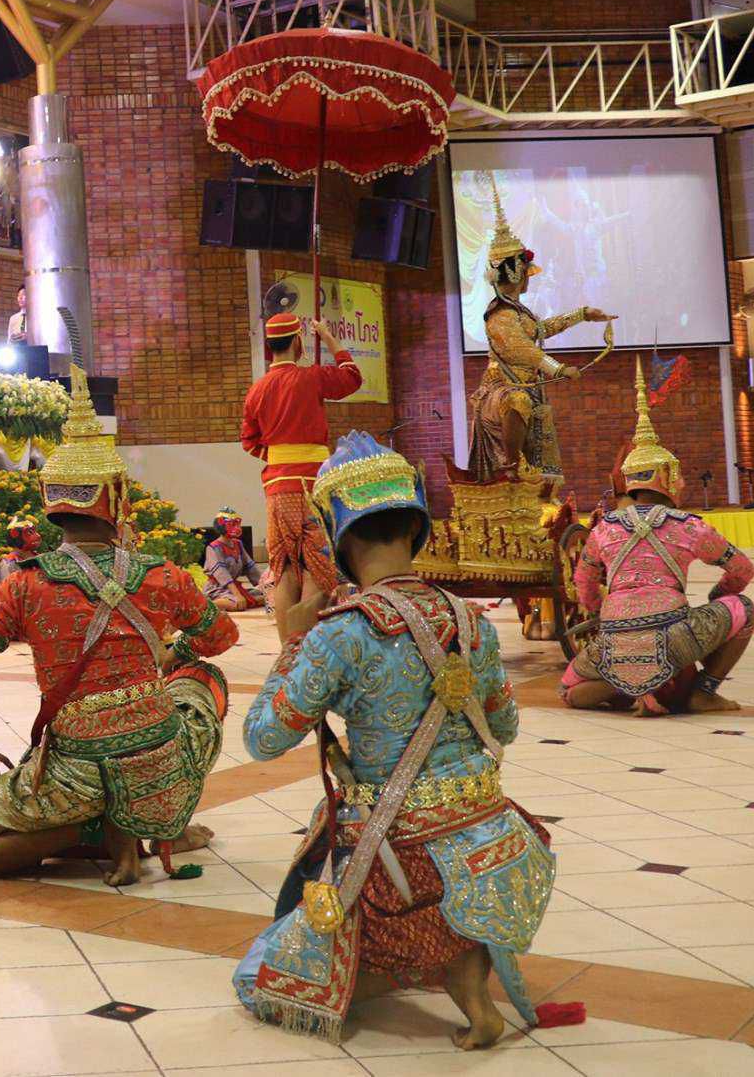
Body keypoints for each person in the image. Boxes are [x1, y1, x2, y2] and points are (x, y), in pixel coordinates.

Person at [233, 433, 573, 1049]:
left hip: (395, 845)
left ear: (339, 535)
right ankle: (464, 972)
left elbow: (262, 739)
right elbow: (506, 729)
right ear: (415, 526)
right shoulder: (472, 620)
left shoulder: (340, 634)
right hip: (489, 827)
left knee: (259, 980)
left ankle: (410, 957)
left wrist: (292, 645)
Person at [0, 364, 236, 885]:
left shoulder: (23, 585)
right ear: (115, 497)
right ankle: (140, 820)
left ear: (51, 502)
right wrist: (175, 654)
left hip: (75, 768)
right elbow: (222, 636)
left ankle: (93, 828)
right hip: (159, 754)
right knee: (203, 680)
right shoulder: (160, 573)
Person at [566, 362, 754, 716]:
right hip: (675, 637)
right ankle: (704, 691)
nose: (681, 483)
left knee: (570, 691)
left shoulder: (604, 527)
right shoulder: (689, 526)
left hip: (614, 637)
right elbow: (743, 569)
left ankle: (622, 683)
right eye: (677, 476)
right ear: (666, 478)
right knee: (744, 609)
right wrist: (719, 595)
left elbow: (584, 580)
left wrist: (596, 611)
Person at [467, 173, 614, 482]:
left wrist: (582, 314)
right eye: (526, 272)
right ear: (516, 274)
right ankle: (511, 468)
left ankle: (529, 476)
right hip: (502, 388)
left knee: (529, 405)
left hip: (525, 383)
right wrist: (558, 369)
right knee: (518, 401)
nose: (529, 279)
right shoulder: (499, 314)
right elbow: (522, 350)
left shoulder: (518, 311)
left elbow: (541, 329)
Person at [241, 312, 360, 605]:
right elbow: (352, 377)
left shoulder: (256, 390)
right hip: (313, 484)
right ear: (297, 341)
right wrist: (328, 337)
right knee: (317, 567)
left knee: (283, 567)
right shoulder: (311, 377)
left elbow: (249, 441)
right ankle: (309, 633)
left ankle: (288, 633)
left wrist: (280, 458)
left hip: (277, 488)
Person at [203, 508, 265, 612]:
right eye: (232, 524)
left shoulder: (238, 544)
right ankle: (206, 605)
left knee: (267, 597)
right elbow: (221, 574)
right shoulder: (213, 548)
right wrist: (237, 595)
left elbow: (250, 567)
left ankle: (243, 599)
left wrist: (265, 587)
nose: (237, 528)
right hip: (217, 588)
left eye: (237, 524)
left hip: (234, 588)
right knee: (237, 604)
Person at [0, 513, 41, 582]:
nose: (37, 535)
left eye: (34, 531)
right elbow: (8, 586)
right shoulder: (8, 564)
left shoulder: (39, 557)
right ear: (15, 535)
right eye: (29, 532)